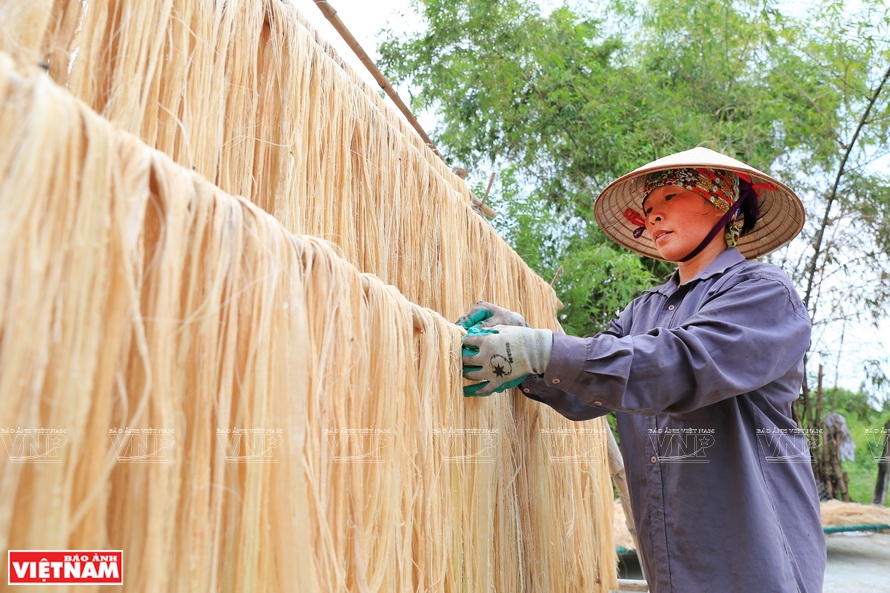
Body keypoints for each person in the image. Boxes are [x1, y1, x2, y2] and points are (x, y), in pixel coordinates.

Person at [459, 147, 826, 593]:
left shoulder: (763, 292)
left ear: (722, 202)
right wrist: (523, 352)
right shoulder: (643, 310)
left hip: (752, 558)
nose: (653, 217)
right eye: (648, 208)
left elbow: (679, 364)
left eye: (670, 197)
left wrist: (540, 349)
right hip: (669, 561)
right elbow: (585, 388)